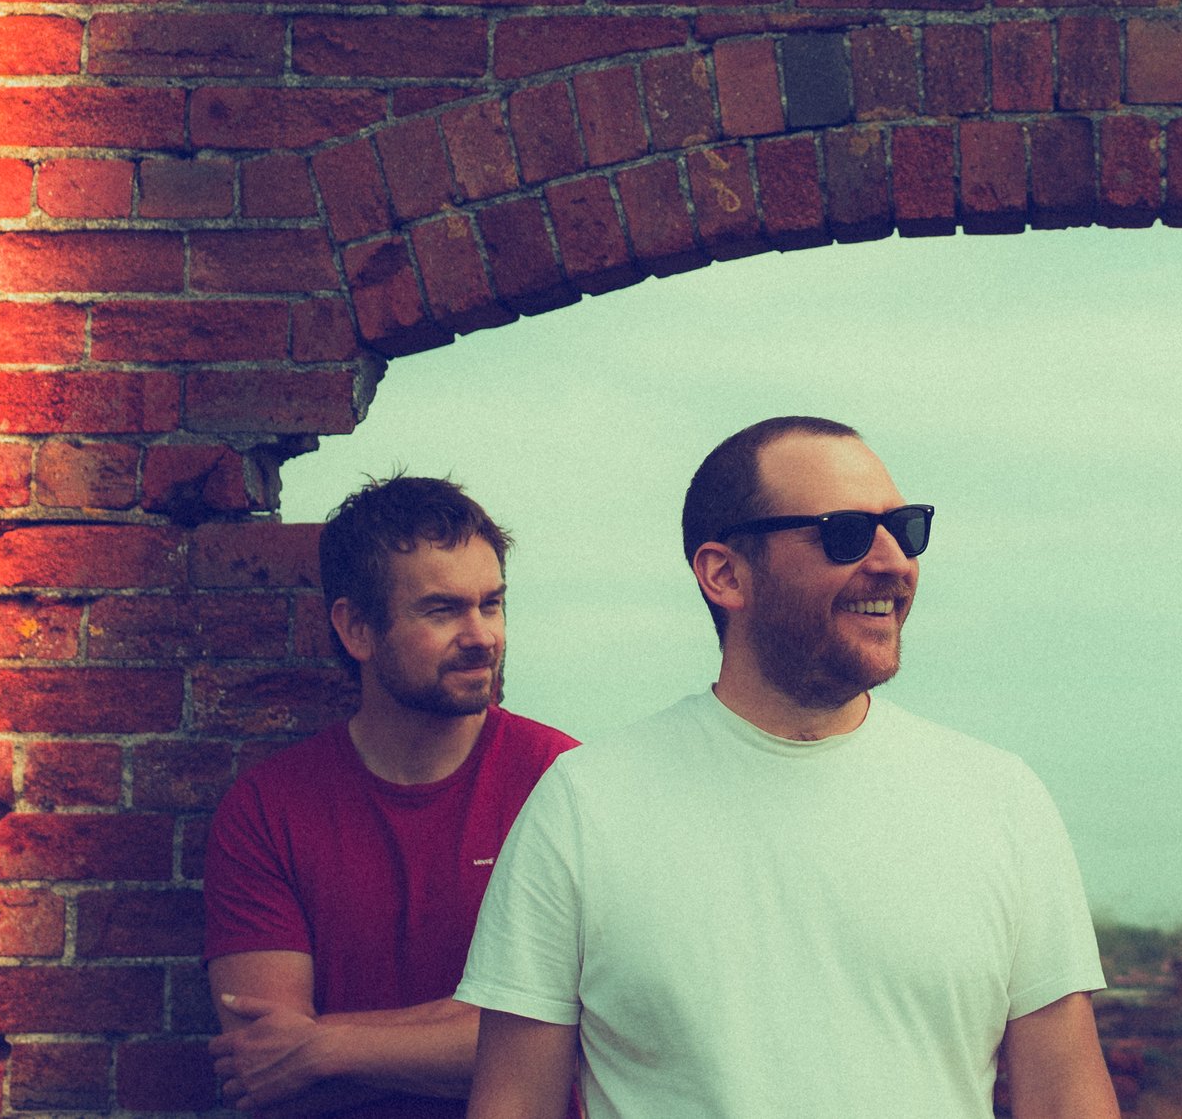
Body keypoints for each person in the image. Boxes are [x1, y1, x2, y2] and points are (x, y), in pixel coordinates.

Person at [458, 416, 1118, 1119]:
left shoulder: (999, 800)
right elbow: (514, 1102)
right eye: (846, 532)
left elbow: (1064, 1093)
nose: (895, 560)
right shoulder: (583, 806)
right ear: (725, 574)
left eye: (905, 526)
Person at [204, 476, 578, 1116]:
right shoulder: (269, 810)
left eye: (492, 604)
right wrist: (487, 1032)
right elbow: (262, 1068)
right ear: (356, 630)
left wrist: (325, 1048)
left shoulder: (562, 782)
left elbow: (579, 1044)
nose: (482, 634)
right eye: (442, 610)